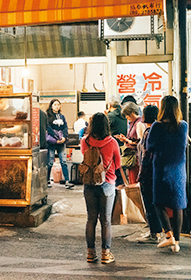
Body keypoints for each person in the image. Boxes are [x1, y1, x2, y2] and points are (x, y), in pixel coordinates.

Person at [146, 95, 188, 253]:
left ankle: (169, 235)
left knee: (158, 202)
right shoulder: (183, 126)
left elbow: (150, 147)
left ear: (162, 108)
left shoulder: (157, 126)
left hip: (161, 168)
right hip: (178, 168)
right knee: (178, 204)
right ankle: (176, 241)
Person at [80, 112, 121, 264]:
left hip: (89, 184)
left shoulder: (85, 141)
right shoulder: (112, 143)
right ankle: (106, 253)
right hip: (107, 184)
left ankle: (90, 253)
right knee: (106, 220)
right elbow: (118, 164)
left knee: (91, 219)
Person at [135, 104, 163, 244]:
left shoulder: (149, 132)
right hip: (155, 172)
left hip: (148, 172)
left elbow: (146, 154)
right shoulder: (156, 130)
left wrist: (142, 174)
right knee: (153, 202)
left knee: (150, 203)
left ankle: (155, 233)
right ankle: (155, 231)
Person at [46, 99, 74, 189]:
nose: (57, 106)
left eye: (58, 104)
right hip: (52, 142)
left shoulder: (62, 116)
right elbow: (48, 128)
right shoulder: (48, 116)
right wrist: (56, 137)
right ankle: (47, 180)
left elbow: (65, 127)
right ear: (51, 106)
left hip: (61, 141)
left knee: (63, 161)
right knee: (50, 161)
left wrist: (64, 137)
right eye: (55, 104)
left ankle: (67, 181)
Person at [115, 101, 145, 184]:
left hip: (136, 158)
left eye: (127, 114)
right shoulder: (133, 123)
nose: (126, 117)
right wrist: (125, 139)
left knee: (134, 182)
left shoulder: (139, 123)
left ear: (132, 112)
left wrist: (127, 141)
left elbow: (141, 142)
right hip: (133, 159)